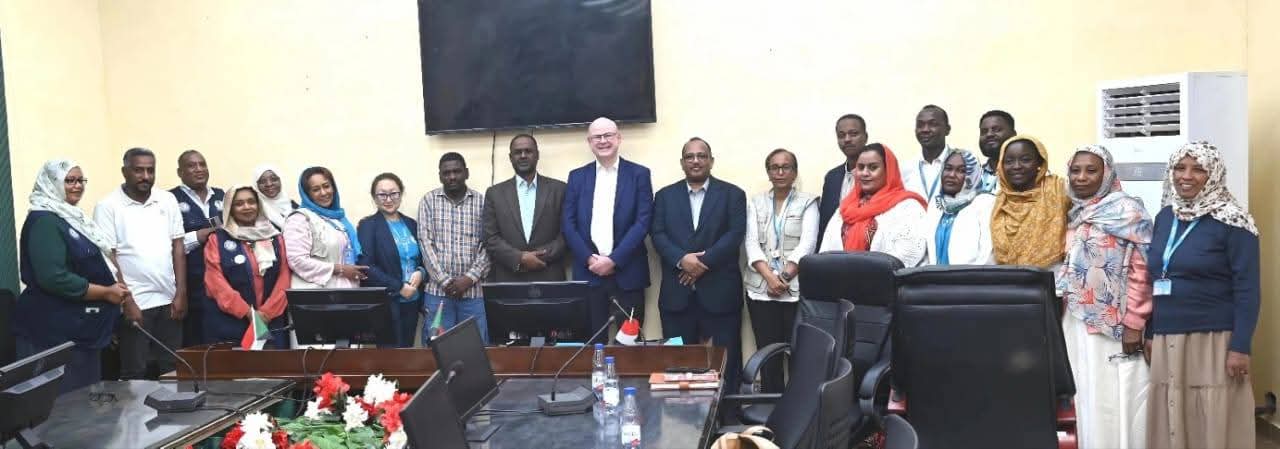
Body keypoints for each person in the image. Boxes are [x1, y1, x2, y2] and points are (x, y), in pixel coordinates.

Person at [1145, 142, 1258, 449]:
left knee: (1209, 415)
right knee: (1172, 414)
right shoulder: (1165, 216)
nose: (1186, 176)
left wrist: (1240, 346)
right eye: (1180, 168)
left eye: (1198, 169)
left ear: (1214, 174)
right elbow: (1156, 277)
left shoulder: (1235, 221)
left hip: (1212, 337)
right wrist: (1152, 330)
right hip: (1167, 334)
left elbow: (1248, 288)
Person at [1056, 145, 1153, 449]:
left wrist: (1135, 321)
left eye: (1091, 170)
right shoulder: (1074, 212)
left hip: (1114, 324)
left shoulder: (1129, 212)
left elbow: (1143, 271)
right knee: (1082, 391)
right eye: (1075, 170)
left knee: (1112, 394)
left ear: (1107, 173)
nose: (1081, 177)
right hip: (1074, 320)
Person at [14, 160, 138, 392]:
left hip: (79, 330)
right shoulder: (44, 221)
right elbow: (53, 277)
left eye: (81, 180)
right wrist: (105, 292)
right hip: (52, 334)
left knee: (83, 402)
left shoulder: (71, 217)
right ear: (51, 183)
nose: (77, 186)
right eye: (69, 180)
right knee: (62, 405)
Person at [652, 137, 747, 389]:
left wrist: (701, 263)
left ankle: (728, 408)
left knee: (726, 361)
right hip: (677, 294)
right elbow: (657, 234)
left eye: (701, 156)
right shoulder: (664, 196)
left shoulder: (733, 194)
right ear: (682, 163)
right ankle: (682, 412)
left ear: (711, 161)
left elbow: (735, 234)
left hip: (720, 293)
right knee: (678, 363)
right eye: (690, 156)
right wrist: (681, 259)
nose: (696, 161)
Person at [94, 148, 187, 380]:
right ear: (124, 171)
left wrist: (181, 292)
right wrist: (128, 302)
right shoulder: (108, 206)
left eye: (150, 170)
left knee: (173, 371)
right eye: (138, 170)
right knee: (135, 374)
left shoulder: (167, 200)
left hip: (169, 301)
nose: (145, 176)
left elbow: (178, 246)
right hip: (136, 304)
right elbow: (109, 257)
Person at [563, 117, 654, 340]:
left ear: (618, 138)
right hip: (589, 274)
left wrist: (613, 260)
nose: (603, 141)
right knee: (592, 345)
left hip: (628, 274)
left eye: (608, 135)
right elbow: (568, 224)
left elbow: (643, 221)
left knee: (630, 345)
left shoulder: (639, 174)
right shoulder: (577, 177)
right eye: (597, 137)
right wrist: (589, 259)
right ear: (589, 142)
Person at [742, 148, 818, 392]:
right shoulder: (755, 202)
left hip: (794, 290)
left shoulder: (809, 202)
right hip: (760, 291)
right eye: (774, 167)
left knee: (798, 352)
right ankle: (769, 402)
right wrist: (769, 278)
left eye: (786, 167)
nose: (780, 172)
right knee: (767, 353)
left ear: (794, 172)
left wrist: (783, 277)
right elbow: (751, 243)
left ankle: (796, 403)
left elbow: (808, 243)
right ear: (768, 172)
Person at [202, 184, 291, 348]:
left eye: (251, 202)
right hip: (231, 321)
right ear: (230, 208)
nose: (247, 207)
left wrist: (265, 314)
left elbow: (284, 277)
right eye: (239, 203)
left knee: (274, 363)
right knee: (236, 363)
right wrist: (247, 312)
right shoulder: (217, 239)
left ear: (259, 205)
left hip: (272, 319)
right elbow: (215, 281)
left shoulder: (276, 237)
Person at [417, 153, 491, 343]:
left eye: (457, 171)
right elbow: (425, 243)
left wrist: (469, 278)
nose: (452, 176)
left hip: (473, 293)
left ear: (466, 173)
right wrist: (445, 281)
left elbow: (489, 244)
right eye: (446, 173)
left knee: (475, 348)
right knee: (437, 349)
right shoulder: (428, 201)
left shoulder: (482, 202)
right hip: (438, 293)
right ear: (440, 176)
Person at [819, 144, 927, 267]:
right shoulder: (845, 208)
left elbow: (909, 252)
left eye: (873, 167)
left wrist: (865, 273)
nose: (865, 173)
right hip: (839, 276)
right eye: (860, 167)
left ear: (888, 170)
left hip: (886, 277)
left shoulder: (908, 207)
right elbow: (825, 251)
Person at [483, 134, 569, 283]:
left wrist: (539, 256)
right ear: (510, 157)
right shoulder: (494, 193)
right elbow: (490, 238)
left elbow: (567, 234)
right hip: (509, 277)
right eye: (518, 152)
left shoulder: (560, 189)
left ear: (537, 155)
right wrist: (520, 258)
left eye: (528, 151)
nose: (523, 155)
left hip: (549, 275)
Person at [357, 173, 425, 348]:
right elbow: (366, 266)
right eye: (382, 194)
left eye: (393, 193)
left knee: (407, 351)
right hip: (388, 303)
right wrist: (399, 287)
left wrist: (421, 272)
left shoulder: (411, 224)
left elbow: (423, 258)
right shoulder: (368, 226)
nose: (388, 199)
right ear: (374, 198)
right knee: (390, 355)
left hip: (413, 301)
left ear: (401, 194)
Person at [170, 150, 224, 346]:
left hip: (221, 283)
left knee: (220, 342)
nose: (199, 169)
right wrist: (199, 236)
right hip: (189, 283)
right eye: (192, 166)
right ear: (180, 172)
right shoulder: (170, 199)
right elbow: (166, 242)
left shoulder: (221, 195)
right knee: (194, 343)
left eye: (202, 164)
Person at [990, 135, 1070, 268]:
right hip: (1005, 277)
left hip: (1053, 274)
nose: (1016, 166)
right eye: (1009, 161)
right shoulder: (995, 202)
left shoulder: (1060, 190)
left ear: (1039, 162)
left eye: (1025, 160)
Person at [284, 166, 367, 290]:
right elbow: (297, 260)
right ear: (307, 194)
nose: (323, 193)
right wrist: (339, 269)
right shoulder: (300, 219)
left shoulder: (339, 219)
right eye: (316, 189)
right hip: (318, 294)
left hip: (346, 291)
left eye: (326, 186)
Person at [922, 149, 996, 265]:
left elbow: (987, 255)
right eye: (948, 168)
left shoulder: (984, 203)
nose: (952, 175)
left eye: (961, 171)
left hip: (972, 276)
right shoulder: (936, 205)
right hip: (936, 275)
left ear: (972, 175)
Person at [818, 114, 868, 249]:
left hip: (867, 252)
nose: (847, 139)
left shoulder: (878, 175)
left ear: (865, 137)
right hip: (834, 252)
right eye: (841, 135)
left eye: (853, 134)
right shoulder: (832, 177)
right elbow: (824, 223)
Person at [902, 105, 952, 204]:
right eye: (920, 125)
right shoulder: (905, 169)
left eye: (933, 124)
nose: (925, 130)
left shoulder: (963, 165)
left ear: (947, 129)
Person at [977, 110, 1017, 193]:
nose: (989, 134)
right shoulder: (973, 177)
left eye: (996, 130)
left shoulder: (1029, 175)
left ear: (1013, 135)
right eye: (984, 131)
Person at [253, 165, 297, 230]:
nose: (269, 184)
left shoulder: (294, 206)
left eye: (274, 179)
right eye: (262, 181)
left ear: (280, 180)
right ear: (256, 185)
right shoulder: (255, 213)